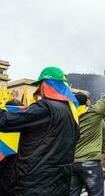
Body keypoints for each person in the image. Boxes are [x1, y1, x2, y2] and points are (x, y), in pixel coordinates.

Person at [0, 67, 79, 196]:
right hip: (60, 184)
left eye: (39, 85)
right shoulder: (71, 113)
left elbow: (3, 121)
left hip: (35, 184)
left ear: (45, 85)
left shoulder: (45, 108)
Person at [70, 84, 105, 196]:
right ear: (87, 102)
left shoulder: (69, 115)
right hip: (90, 161)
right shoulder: (93, 113)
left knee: (72, 193)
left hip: (73, 161)